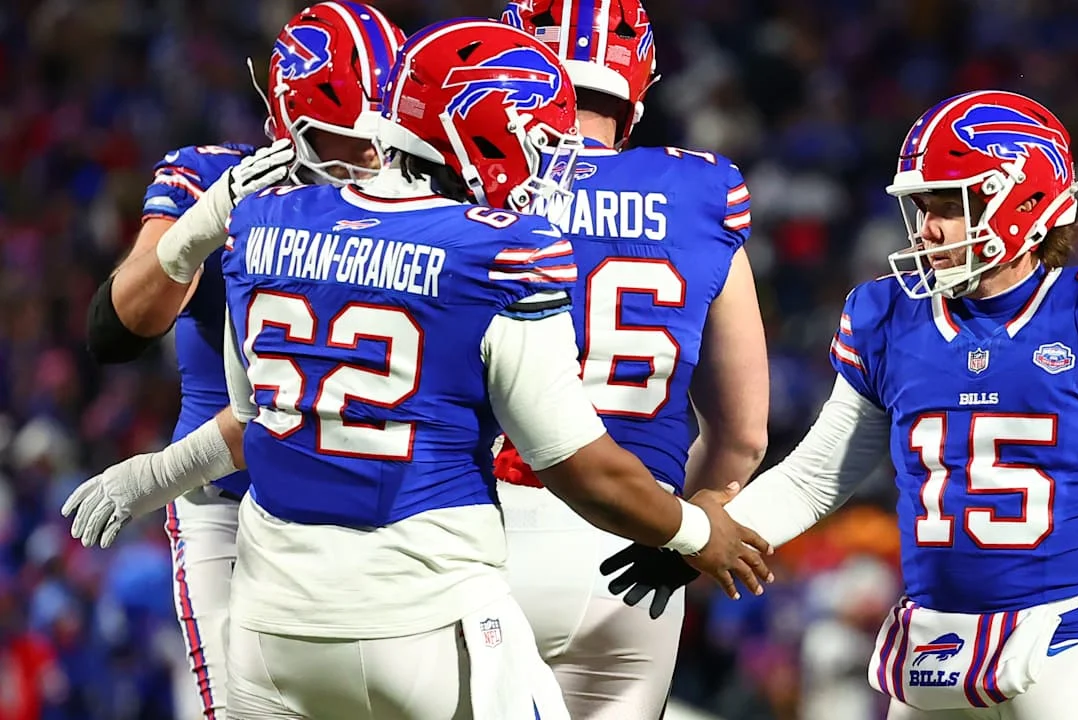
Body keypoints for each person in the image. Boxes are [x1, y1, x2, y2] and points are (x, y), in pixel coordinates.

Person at [64, 18, 772, 720]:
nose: (556, 170)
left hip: (275, 610)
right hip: (428, 607)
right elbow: (576, 462)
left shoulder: (262, 221)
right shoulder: (502, 253)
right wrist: (695, 531)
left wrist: (153, 475)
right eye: (541, 144)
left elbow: (256, 420)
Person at [604, 90, 1078, 720]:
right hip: (929, 646)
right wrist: (695, 537)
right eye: (924, 206)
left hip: (1059, 644)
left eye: (950, 206)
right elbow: (815, 479)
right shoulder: (889, 317)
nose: (927, 228)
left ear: (1023, 203)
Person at [81, 3, 403, 717]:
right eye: (353, 137)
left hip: (365, 504)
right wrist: (198, 228)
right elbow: (115, 330)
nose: (374, 157)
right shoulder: (214, 177)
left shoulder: (424, 199)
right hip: (228, 504)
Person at [494, 1, 770, 716]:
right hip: (638, 549)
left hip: (484, 531)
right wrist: (674, 530)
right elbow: (742, 437)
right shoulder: (701, 192)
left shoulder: (476, 187)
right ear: (636, 89)